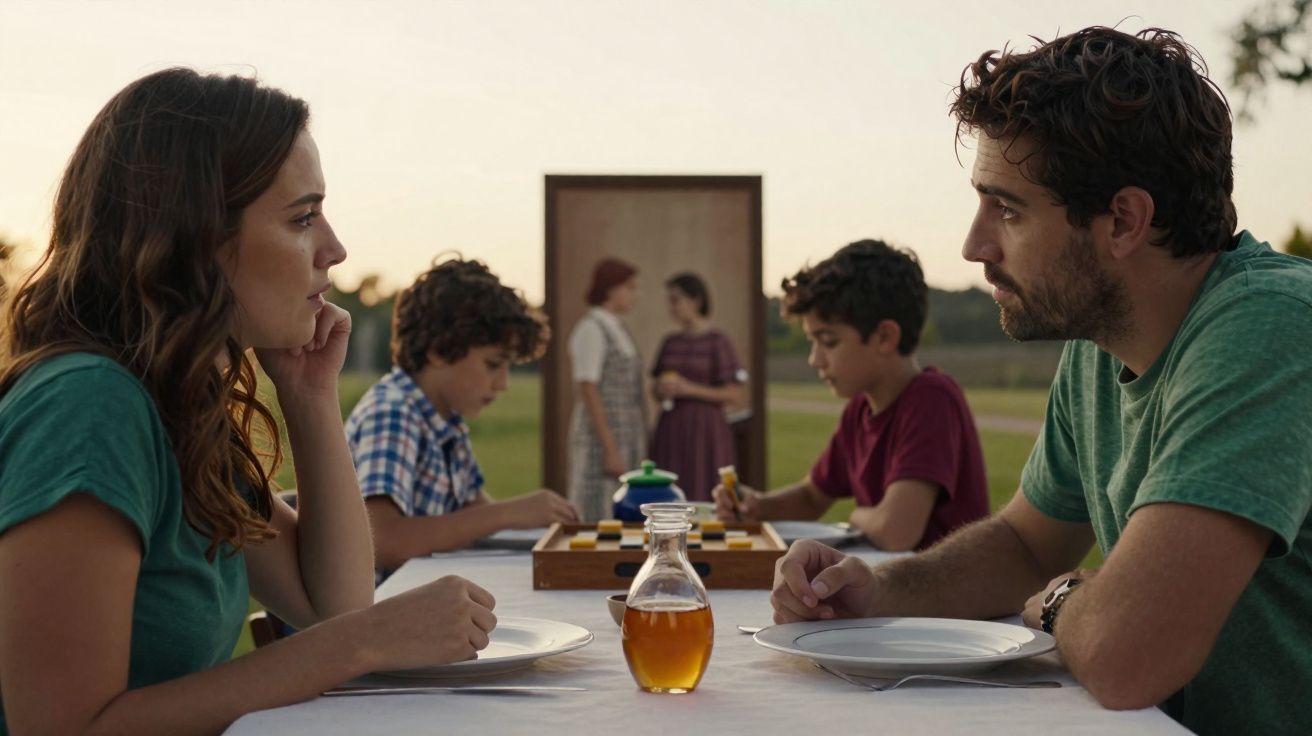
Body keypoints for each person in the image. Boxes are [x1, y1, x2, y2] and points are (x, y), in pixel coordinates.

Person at [769, 27, 1312, 735]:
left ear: (1123, 221)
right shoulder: (1097, 344)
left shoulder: (1272, 326)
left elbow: (1128, 657)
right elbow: (1024, 545)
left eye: (1009, 209)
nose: (974, 246)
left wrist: (1058, 602)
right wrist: (876, 588)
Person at [0, 68, 497, 735]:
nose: (335, 249)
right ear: (196, 241)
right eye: (302, 218)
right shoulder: (91, 407)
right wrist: (366, 643)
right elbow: (64, 728)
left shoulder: (178, 411)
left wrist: (309, 394)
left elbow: (334, 600)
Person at [714, 240, 989, 551]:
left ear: (885, 336)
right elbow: (811, 497)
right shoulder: (860, 409)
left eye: (828, 341)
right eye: (812, 342)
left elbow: (895, 532)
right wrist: (756, 506)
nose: (814, 359)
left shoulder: (932, 400)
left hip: (949, 595)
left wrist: (856, 516)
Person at [345, 257, 578, 581]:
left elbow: (475, 515)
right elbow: (381, 541)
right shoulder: (393, 414)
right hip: (381, 613)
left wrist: (532, 521)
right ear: (439, 350)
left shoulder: (445, 422)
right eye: (493, 364)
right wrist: (509, 513)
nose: (503, 383)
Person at [648, 272, 746, 501]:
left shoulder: (717, 342)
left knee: (705, 486)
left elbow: (734, 394)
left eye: (676, 300)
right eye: (669, 300)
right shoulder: (670, 342)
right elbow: (655, 388)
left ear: (696, 300)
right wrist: (660, 390)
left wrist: (688, 389)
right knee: (670, 490)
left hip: (706, 431)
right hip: (672, 428)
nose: (671, 307)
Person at [567, 257, 645, 522]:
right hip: (602, 436)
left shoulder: (618, 327)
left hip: (626, 433)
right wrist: (610, 448)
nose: (635, 295)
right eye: (630, 288)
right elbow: (588, 388)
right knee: (598, 507)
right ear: (611, 289)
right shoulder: (591, 328)